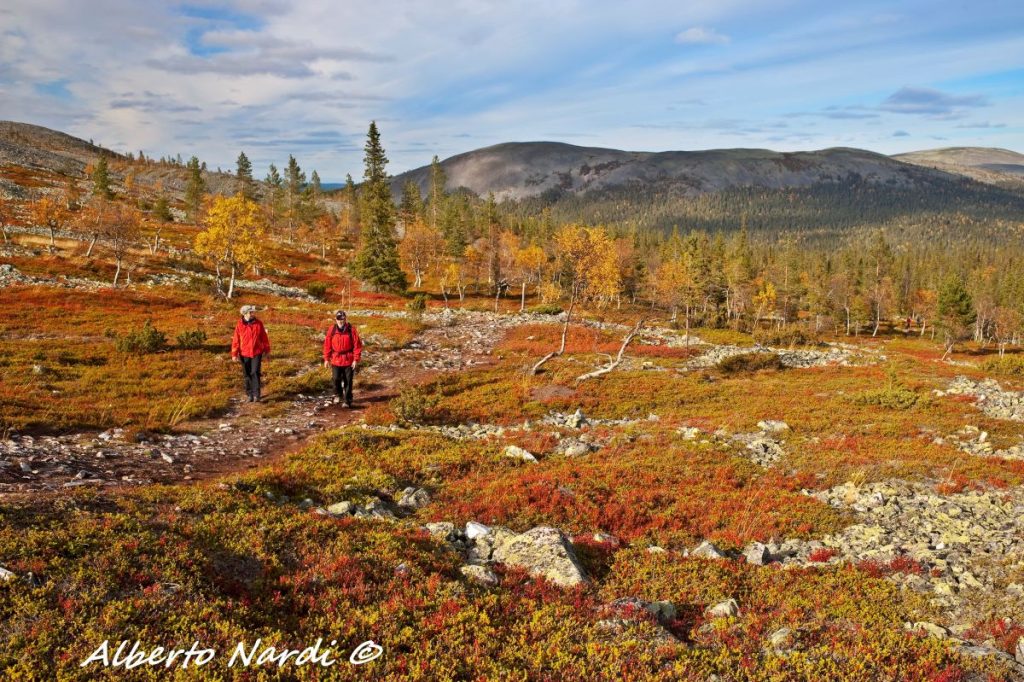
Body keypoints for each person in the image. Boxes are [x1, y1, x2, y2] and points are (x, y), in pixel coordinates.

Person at [231, 305, 270, 402]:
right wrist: (234, 354)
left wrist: (267, 350)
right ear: (245, 313)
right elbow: (236, 340)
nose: (253, 314)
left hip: (257, 352)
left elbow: (264, 337)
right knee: (247, 374)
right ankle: (249, 395)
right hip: (244, 353)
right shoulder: (239, 324)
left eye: (253, 312)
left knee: (255, 372)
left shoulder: (259, 323)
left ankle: (257, 395)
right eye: (250, 312)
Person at [323, 310, 362, 407]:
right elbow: (327, 345)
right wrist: (326, 359)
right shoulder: (332, 330)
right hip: (336, 359)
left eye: (343, 319)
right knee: (336, 379)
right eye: (339, 319)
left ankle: (347, 400)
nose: (341, 321)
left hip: (348, 359)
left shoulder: (351, 330)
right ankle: (338, 394)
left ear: (345, 319)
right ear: (335, 319)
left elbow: (357, 345)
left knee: (348, 381)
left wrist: (355, 359)